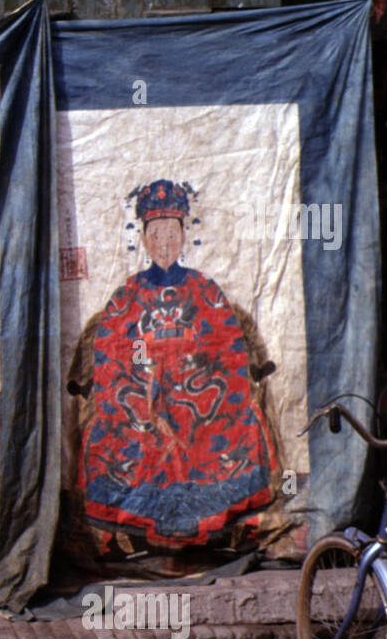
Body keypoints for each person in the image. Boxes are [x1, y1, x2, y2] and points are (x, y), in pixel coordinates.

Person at [76, 179, 279, 553]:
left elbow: (223, 344)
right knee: (112, 428)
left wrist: (194, 367)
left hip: (199, 388)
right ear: (145, 239)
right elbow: (119, 345)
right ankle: (126, 530)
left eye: (172, 233)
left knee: (242, 421)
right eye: (156, 234)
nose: (165, 243)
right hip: (143, 390)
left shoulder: (204, 289)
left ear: (185, 235)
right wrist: (144, 371)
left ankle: (230, 525)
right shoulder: (129, 293)